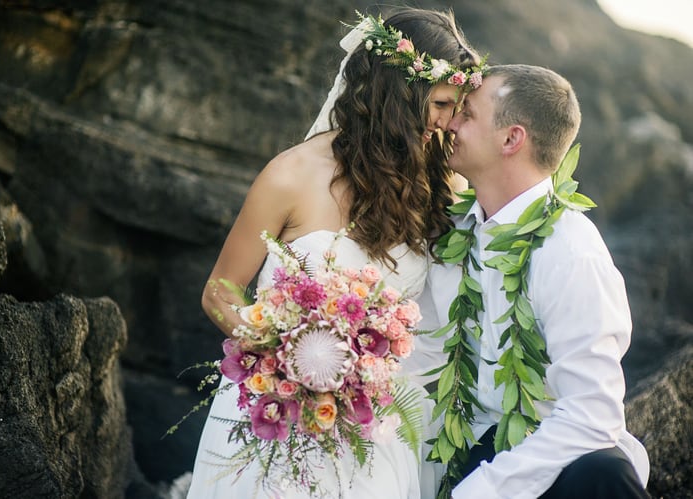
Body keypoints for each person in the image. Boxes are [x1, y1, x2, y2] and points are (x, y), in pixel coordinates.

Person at [186, 7, 484, 499]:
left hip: (379, 427)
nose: (449, 122)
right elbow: (220, 292)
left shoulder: (442, 187)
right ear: (398, 92)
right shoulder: (289, 175)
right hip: (275, 410)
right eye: (441, 103)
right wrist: (288, 358)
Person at [421, 64, 651, 498]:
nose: (449, 123)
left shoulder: (571, 253)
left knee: (603, 473)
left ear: (512, 139)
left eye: (466, 114)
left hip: (558, 460)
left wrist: (482, 490)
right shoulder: (453, 229)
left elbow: (591, 416)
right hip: (474, 443)